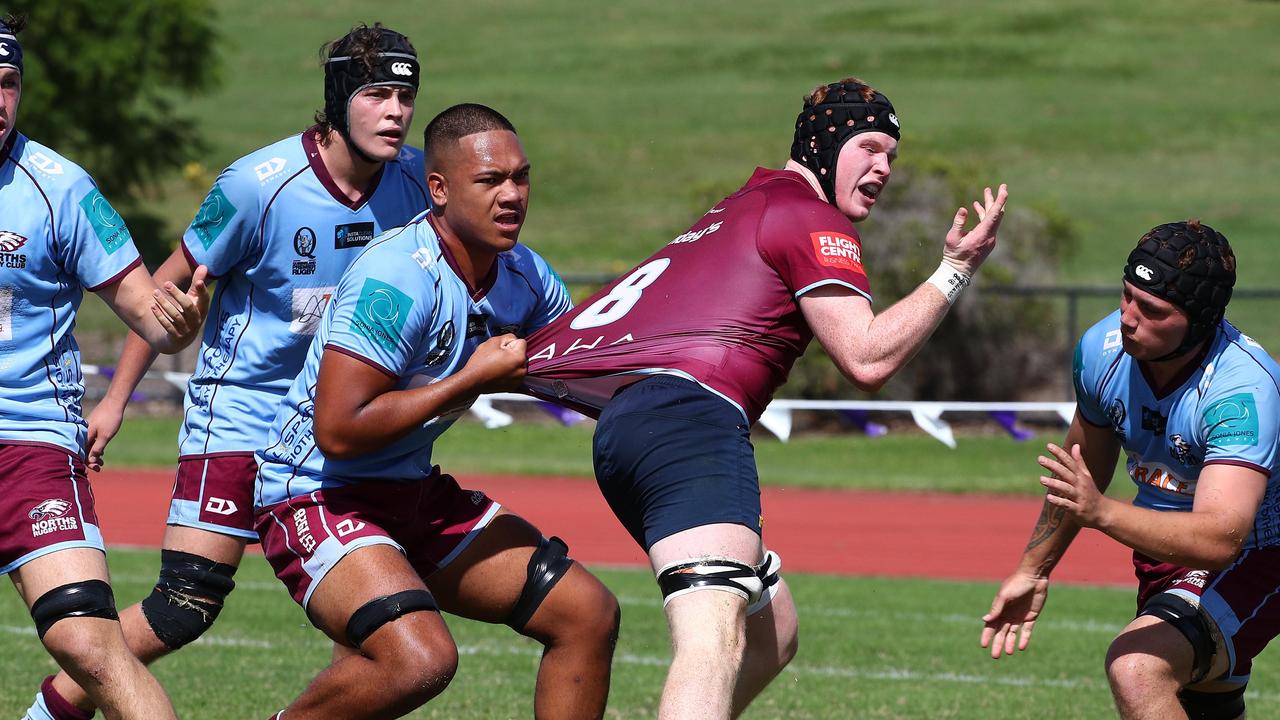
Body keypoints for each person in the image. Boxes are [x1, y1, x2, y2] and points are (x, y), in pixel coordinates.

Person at [522, 77, 1009, 719]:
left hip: (634, 425)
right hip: (687, 421)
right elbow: (866, 357)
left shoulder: (747, 202)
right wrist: (954, 270)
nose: (885, 167)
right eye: (870, 147)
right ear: (825, 144)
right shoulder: (809, 214)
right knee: (713, 639)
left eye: (893, 154)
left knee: (770, 633)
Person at [35, 22, 430, 719]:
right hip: (244, 415)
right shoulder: (257, 185)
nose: (396, 110)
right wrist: (114, 400)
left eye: (405, 95)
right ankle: (49, 711)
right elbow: (163, 285)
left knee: (368, 616)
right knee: (184, 604)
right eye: (376, 94)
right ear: (339, 99)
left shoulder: (419, 185)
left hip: (340, 428)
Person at [254, 102, 618, 720]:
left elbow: (583, 370)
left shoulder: (523, 274)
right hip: (315, 494)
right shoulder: (397, 278)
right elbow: (339, 431)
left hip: (411, 493)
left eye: (521, 177)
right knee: (419, 661)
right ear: (440, 190)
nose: (512, 196)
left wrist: (687, 393)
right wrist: (473, 377)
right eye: (490, 181)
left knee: (586, 613)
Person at [982, 220, 1280, 720]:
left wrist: (1101, 513)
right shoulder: (1101, 352)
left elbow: (1219, 539)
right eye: (1127, 296)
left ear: (1199, 320)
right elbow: (1081, 475)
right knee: (1200, 703)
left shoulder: (1241, 392)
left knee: (1137, 667)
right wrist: (1032, 571)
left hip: (1256, 554)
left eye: (1153, 310)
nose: (1128, 318)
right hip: (1163, 556)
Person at [0, 15, 209, 720]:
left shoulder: (60, 187)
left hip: (25, 442)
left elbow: (148, 310)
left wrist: (175, 319)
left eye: (8, 84)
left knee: (88, 642)